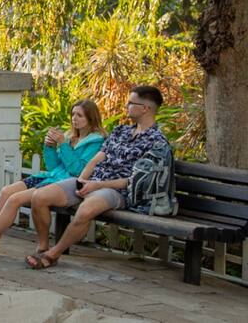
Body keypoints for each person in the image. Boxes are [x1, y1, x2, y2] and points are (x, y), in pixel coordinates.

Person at [25, 86, 169, 270]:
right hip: (90, 181)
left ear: (145, 108)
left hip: (116, 190)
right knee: (39, 197)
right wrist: (81, 182)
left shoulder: (157, 143)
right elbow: (96, 160)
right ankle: (43, 247)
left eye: (131, 103)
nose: (126, 106)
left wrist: (96, 185)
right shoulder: (120, 131)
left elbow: (134, 181)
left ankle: (52, 255)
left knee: (85, 210)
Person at [0, 99, 105, 260]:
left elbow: (77, 170)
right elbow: (53, 166)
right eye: (73, 114)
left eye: (79, 115)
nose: (74, 118)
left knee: (14, 200)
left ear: (91, 118)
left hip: (63, 183)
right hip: (50, 177)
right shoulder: (70, 137)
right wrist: (49, 147)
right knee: (6, 192)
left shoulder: (96, 142)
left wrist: (63, 145)